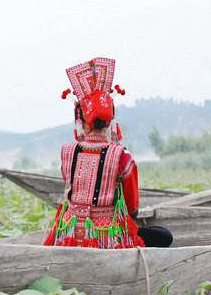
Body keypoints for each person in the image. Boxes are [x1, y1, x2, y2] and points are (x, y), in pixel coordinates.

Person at [43, 57, 172, 249]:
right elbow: (131, 208)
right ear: (111, 119)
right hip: (107, 240)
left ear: (81, 120)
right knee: (163, 236)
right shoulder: (122, 156)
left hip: (67, 235)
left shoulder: (67, 152)